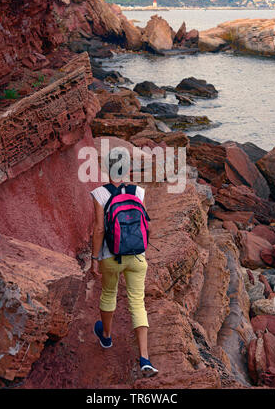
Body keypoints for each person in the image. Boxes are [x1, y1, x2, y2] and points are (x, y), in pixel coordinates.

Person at [90, 147, 158, 377]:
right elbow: (146, 224)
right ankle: (145, 359)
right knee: (138, 303)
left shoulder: (100, 193)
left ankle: (106, 337)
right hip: (137, 257)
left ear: (106, 168)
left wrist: (94, 258)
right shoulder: (138, 191)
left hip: (111, 256)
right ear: (128, 168)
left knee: (108, 294)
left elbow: (99, 229)